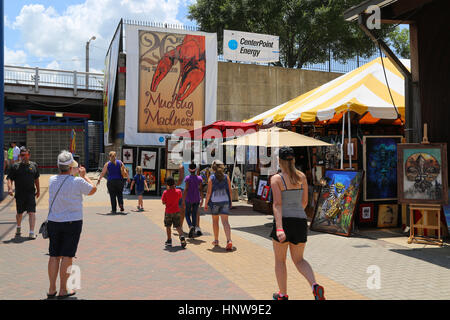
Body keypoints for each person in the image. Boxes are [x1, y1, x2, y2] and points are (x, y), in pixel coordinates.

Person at [270, 147, 325, 300]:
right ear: (293, 159)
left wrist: (280, 227)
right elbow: (305, 202)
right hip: (300, 221)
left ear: (279, 161)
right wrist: (296, 213)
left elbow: (277, 204)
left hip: (284, 221)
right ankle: (314, 285)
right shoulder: (301, 177)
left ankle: (282, 294)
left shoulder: (276, 179)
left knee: (280, 261)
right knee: (299, 259)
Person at [46, 151, 96, 299]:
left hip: (54, 222)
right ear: (70, 166)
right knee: (67, 256)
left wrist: (73, 172)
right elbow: (93, 189)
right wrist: (83, 175)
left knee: (54, 255)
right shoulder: (77, 181)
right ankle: (63, 290)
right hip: (72, 222)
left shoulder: (51, 180)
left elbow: (64, 178)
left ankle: (51, 289)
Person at [7, 147, 40, 239]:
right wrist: (10, 188)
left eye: (24, 155)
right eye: (21, 155)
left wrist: (39, 191)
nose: (23, 157)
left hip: (30, 193)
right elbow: (9, 178)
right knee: (19, 213)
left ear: (29, 155)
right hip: (20, 194)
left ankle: (31, 232)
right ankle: (18, 227)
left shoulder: (34, 165)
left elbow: (36, 179)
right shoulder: (15, 166)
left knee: (32, 212)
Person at [204, 160, 233, 251]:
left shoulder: (211, 178)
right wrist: (230, 201)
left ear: (213, 168)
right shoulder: (226, 177)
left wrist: (205, 203)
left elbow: (208, 193)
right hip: (225, 201)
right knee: (225, 222)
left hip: (215, 202)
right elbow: (230, 190)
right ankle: (229, 240)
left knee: (215, 221)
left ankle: (216, 240)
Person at [162, 176, 187, 248]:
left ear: (167, 184)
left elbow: (163, 202)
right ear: (174, 183)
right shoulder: (178, 191)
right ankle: (182, 237)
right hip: (176, 210)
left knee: (168, 226)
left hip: (168, 212)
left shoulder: (165, 192)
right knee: (178, 226)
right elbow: (179, 197)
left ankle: (169, 240)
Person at [182, 162, 204, 238]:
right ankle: (194, 228)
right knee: (194, 214)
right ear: (196, 169)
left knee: (187, 214)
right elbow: (201, 189)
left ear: (189, 169)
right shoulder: (199, 178)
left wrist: (183, 199)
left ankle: (190, 226)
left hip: (189, 198)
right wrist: (202, 199)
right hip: (197, 199)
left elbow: (186, 189)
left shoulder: (187, 178)